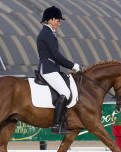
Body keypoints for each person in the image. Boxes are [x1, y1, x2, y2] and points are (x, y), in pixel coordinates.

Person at [36, 6, 81, 134]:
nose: (59, 23)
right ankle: (56, 125)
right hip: (48, 69)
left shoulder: (49, 33)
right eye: (58, 20)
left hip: (52, 68)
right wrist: (73, 66)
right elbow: (56, 56)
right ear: (50, 19)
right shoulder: (46, 33)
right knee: (66, 93)